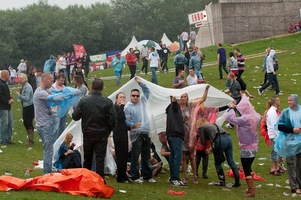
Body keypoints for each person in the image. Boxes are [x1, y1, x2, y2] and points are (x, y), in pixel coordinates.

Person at [72, 78, 116, 179]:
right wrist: (108, 130)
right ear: (102, 88)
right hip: (102, 133)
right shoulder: (107, 102)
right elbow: (113, 119)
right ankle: (99, 180)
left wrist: (77, 109)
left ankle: (86, 180)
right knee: (100, 159)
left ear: (91, 87)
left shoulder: (84, 101)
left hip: (88, 133)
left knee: (87, 159)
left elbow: (75, 116)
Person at [225, 94, 260, 197]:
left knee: (247, 169)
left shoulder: (244, 119)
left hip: (246, 148)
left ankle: (251, 190)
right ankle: (250, 189)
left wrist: (231, 109)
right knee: (248, 167)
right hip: (254, 147)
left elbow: (229, 118)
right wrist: (237, 108)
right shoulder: (256, 116)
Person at [124, 77, 156, 183]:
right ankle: (135, 176)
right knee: (135, 155)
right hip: (136, 133)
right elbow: (126, 121)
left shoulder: (142, 101)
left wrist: (140, 83)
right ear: (130, 96)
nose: (135, 97)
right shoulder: (128, 107)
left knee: (146, 155)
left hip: (145, 132)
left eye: (137, 96)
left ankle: (147, 176)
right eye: (133, 96)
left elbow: (147, 91)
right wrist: (133, 125)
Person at [180, 85, 210, 184]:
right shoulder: (176, 107)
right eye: (182, 97)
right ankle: (185, 177)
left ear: (187, 98)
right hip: (181, 135)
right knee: (183, 157)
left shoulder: (190, 105)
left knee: (192, 156)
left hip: (190, 134)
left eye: (185, 97)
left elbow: (202, 99)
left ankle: (195, 176)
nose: (183, 99)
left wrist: (206, 89)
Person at [197, 119, 241, 187]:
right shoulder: (213, 124)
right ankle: (237, 181)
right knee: (230, 160)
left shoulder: (201, 128)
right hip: (228, 138)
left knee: (217, 162)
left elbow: (203, 142)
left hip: (219, 140)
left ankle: (222, 181)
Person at [275, 94, 301, 194]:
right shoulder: (286, 112)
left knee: (299, 164)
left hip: (300, 142)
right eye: (288, 100)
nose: (289, 102)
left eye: (291, 100)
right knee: (291, 164)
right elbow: (279, 126)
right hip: (289, 142)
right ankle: (294, 186)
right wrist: (292, 130)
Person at [33, 72, 55, 174]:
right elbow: (54, 98)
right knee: (48, 150)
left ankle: (48, 171)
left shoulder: (43, 91)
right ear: (45, 80)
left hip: (44, 124)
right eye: (51, 80)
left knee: (48, 149)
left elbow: (54, 92)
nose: (52, 82)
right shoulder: (41, 93)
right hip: (45, 125)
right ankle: (47, 173)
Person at [165, 95, 186, 187]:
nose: (181, 99)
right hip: (175, 135)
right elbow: (174, 105)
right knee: (177, 157)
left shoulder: (172, 109)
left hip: (172, 134)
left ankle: (173, 177)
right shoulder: (174, 106)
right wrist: (174, 101)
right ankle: (175, 178)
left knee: (173, 156)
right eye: (180, 97)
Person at [113, 92, 130, 183]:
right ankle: (120, 177)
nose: (122, 99)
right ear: (117, 99)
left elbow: (123, 122)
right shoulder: (115, 108)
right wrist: (122, 106)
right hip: (118, 134)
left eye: (124, 97)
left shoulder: (122, 108)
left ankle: (124, 175)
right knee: (120, 155)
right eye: (120, 97)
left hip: (124, 133)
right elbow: (118, 118)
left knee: (124, 155)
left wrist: (130, 127)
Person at [16, 73, 35, 145]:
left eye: (19, 78)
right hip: (25, 106)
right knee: (25, 122)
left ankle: (31, 139)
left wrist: (19, 95)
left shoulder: (27, 87)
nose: (18, 80)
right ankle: (30, 138)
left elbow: (26, 98)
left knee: (28, 122)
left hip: (29, 107)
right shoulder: (23, 86)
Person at [266, 97, 282, 175]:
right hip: (274, 135)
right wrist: (279, 136)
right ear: (276, 102)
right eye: (278, 101)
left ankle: (277, 167)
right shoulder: (272, 113)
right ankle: (273, 168)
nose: (280, 102)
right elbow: (274, 126)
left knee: (277, 151)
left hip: (275, 134)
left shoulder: (273, 111)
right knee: (274, 151)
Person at [51, 74, 67, 139]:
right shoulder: (52, 87)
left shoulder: (64, 87)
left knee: (62, 127)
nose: (62, 82)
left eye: (63, 80)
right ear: (57, 79)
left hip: (63, 110)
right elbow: (52, 97)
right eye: (61, 80)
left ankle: (60, 141)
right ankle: (53, 142)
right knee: (55, 127)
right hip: (56, 111)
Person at [0, 70, 14, 145]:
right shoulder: (1, 84)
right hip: (3, 107)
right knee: (4, 123)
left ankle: (8, 138)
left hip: (8, 106)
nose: (9, 76)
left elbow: (6, 94)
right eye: (8, 74)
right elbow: (1, 96)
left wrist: (10, 98)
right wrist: (7, 101)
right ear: (5, 75)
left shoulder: (5, 84)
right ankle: (3, 139)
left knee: (10, 123)